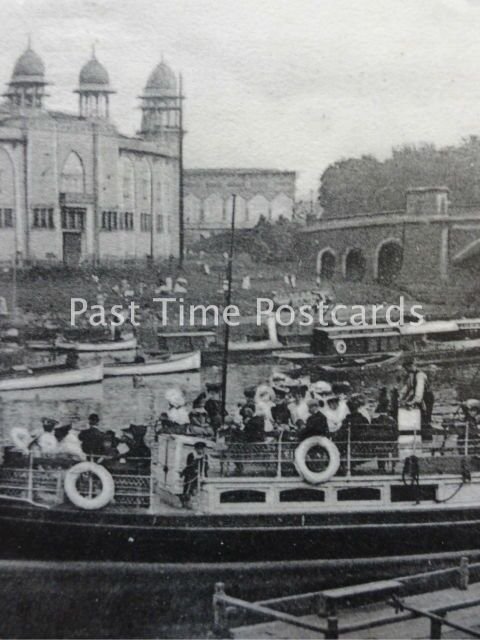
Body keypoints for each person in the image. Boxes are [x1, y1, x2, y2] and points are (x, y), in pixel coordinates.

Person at [400, 356, 435, 441]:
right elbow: (407, 388)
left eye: (406, 368)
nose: (405, 370)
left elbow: (419, 392)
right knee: (418, 418)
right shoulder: (411, 375)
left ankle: (427, 440)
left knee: (425, 418)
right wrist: (400, 398)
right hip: (421, 397)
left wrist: (412, 402)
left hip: (427, 398)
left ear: (410, 366)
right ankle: (418, 438)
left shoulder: (420, 375)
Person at [180, 441, 208, 506]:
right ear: (196, 449)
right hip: (191, 474)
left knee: (202, 487)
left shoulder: (205, 456)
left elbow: (206, 465)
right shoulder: (191, 455)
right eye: (199, 448)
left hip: (201, 474)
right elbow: (189, 465)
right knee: (188, 487)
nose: (200, 450)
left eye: (202, 448)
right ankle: (186, 501)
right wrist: (195, 466)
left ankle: (201, 501)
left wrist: (204, 473)